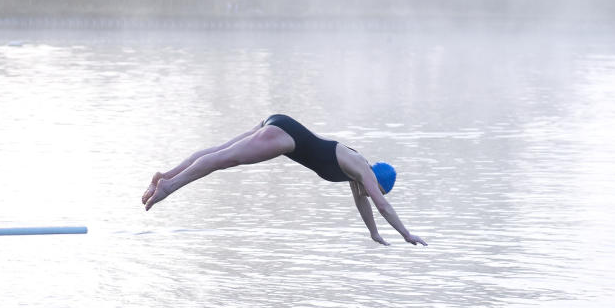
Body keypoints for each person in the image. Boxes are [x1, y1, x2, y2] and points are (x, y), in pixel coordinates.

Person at [142, 114, 428, 246]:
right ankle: (168, 186)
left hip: (280, 124)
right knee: (223, 159)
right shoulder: (363, 172)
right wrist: (406, 234)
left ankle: (165, 176)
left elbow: (364, 205)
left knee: (220, 153)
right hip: (285, 137)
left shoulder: (358, 171)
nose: (371, 194)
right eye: (377, 191)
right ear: (378, 183)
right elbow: (381, 206)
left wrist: (373, 234)